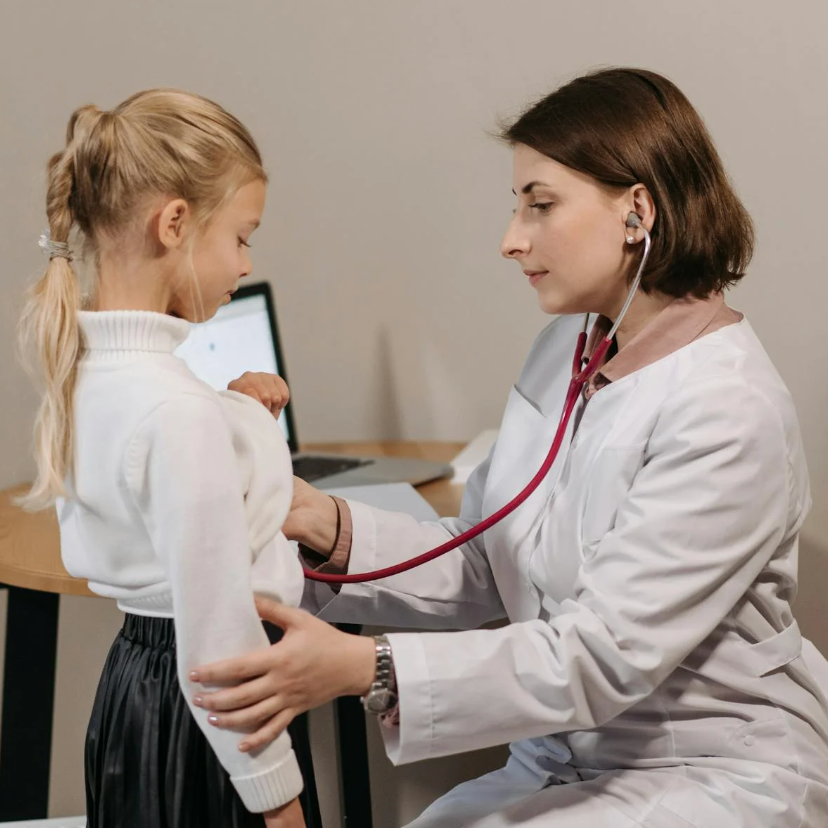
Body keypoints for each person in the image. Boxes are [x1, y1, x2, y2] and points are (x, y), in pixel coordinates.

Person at [191, 68, 828, 827]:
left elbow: (599, 656)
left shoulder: (729, 408)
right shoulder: (568, 346)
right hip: (566, 756)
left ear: (638, 210)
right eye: (515, 205)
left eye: (541, 204)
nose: (510, 239)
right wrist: (315, 518)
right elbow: (489, 562)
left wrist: (367, 666)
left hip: (707, 766)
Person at [17, 89, 343, 828]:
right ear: (174, 223)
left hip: (136, 692)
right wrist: (278, 803)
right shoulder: (177, 410)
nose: (247, 260)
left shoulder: (92, 373)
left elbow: (154, 510)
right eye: (241, 236)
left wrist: (237, 417)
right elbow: (219, 630)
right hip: (217, 711)